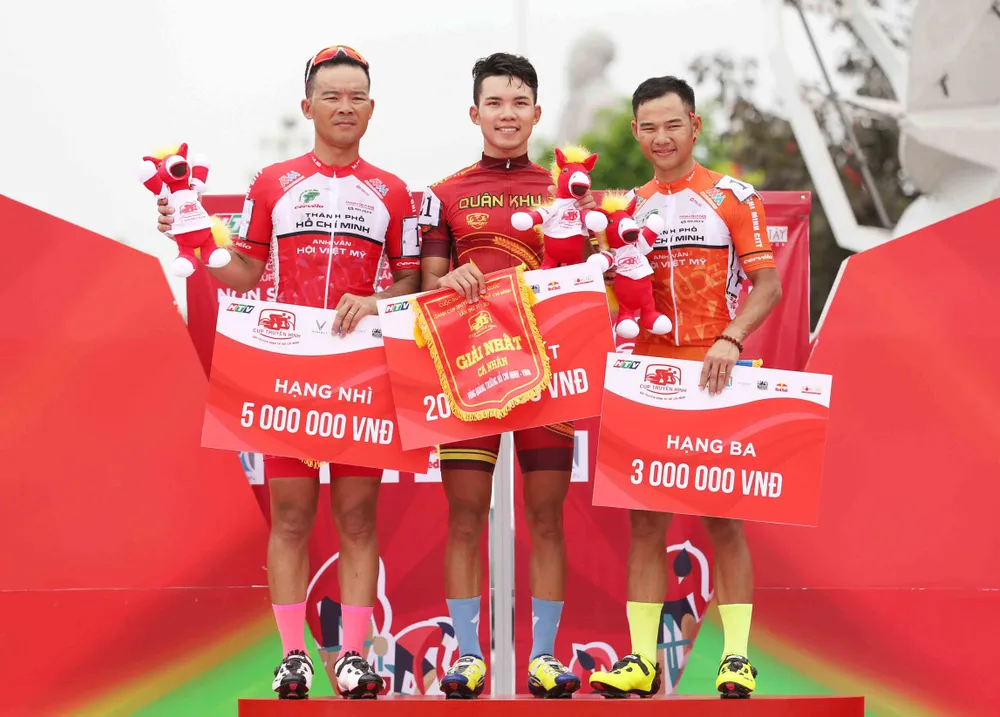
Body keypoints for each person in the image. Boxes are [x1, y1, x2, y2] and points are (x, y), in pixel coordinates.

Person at [156, 45, 420, 700]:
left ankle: (353, 658)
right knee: (292, 519)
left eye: (356, 97)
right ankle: (294, 656)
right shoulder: (273, 182)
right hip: (288, 369)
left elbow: (412, 279)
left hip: (361, 369)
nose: (344, 107)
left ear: (372, 108)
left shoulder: (393, 191)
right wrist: (195, 241)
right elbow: (244, 270)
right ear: (308, 106)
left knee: (358, 520)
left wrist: (377, 301)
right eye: (331, 96)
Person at [588, 76, 783, 700]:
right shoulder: (625, 208)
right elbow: (609, 290)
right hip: (647, 378)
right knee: (646, 526)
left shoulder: (732, 196)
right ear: (636, 132)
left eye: (673, 125)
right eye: (648, 127)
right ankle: (641, 661)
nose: (661, 137)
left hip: (714, 372)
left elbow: (768, 285)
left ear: (694, 127)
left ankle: (736, 659)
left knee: (723, 523)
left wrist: (732, 338)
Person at [417, 52, 593, 699]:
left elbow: (592, 278)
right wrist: (449, 279)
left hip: (549, 373)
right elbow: (427, 283)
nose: (507, 114)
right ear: (475, 113)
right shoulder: (443, 193)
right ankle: (467, 657)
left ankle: (543, 659)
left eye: (519, 102)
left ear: (537, 113)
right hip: (470, 370)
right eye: (495, 103)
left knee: (547, 518)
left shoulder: (567, 190)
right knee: (465, 517)